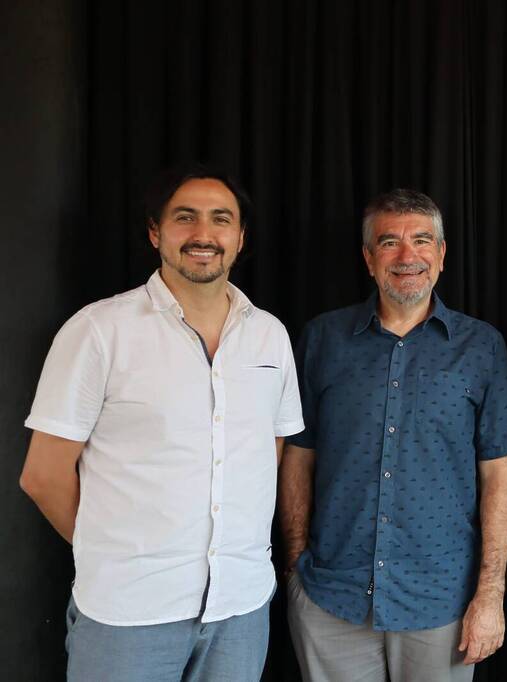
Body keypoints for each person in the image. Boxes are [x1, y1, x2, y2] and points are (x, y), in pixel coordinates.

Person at [19, 163, 304, 680]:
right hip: (128, 615)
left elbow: (271, 452)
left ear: (240, 238)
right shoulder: (98, 331)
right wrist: (115, 552)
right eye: (184, 218)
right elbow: (41, 475)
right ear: (156, 233)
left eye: (221, 220)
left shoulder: (270, 337)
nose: (203, 234)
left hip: (241, 609)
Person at [279, 188, 507, 682]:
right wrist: (294, 570)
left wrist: (490, 594)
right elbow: (298, 455)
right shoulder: (321, 339)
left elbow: (499, 480)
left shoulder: (481, 346)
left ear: (440, 255)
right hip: (332, 596)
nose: (406, 255)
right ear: (368, 257)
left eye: (421, 241)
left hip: (442, 600)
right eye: (389, 242)